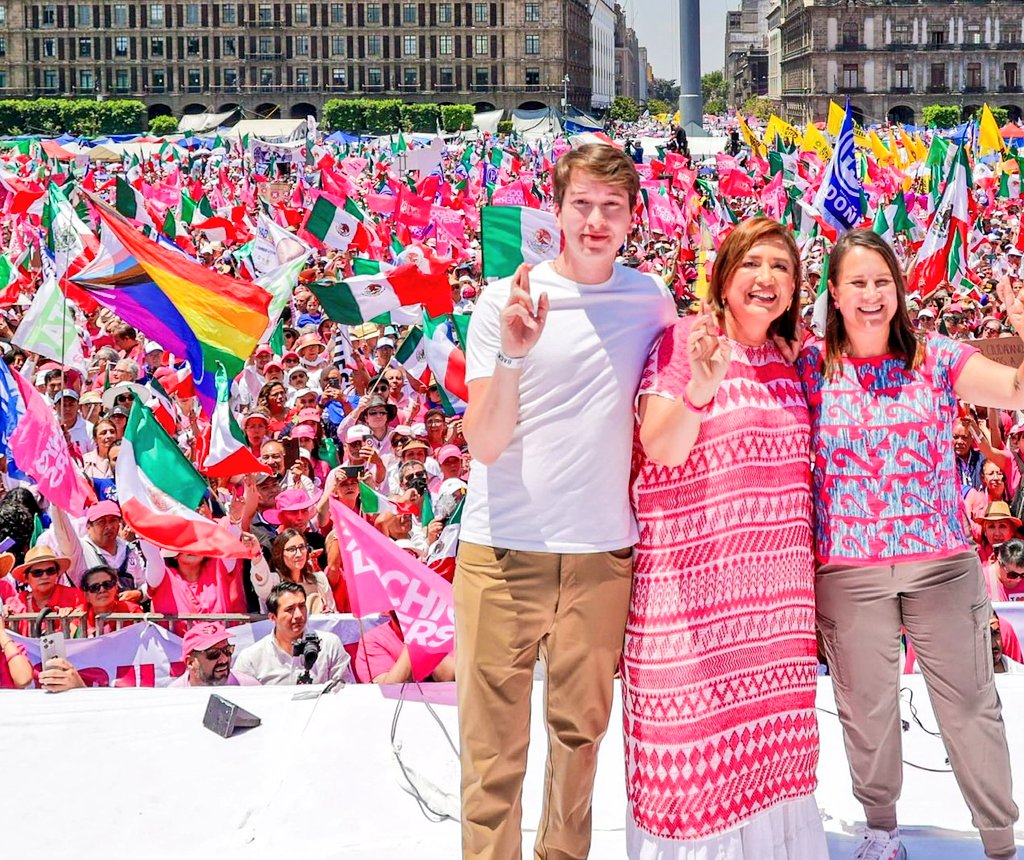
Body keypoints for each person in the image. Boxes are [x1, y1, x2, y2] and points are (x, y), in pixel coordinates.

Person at [455, 143, 675, 860]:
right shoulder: (501, 302)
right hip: (500, 553)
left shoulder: (652, 300)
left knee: (580, 745)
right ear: (556, 211)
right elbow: (483, 443)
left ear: (633, 218)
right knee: (493, 752)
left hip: (601, 556)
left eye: (612, 207)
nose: (595, 220)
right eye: (581, 203)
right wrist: (516, 352)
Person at [796, 228, 1023, 860]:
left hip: (941, 569)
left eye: (882, 282)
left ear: (898, 288)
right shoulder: (811, 366)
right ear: (834, 294)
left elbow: (1015, 391)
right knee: (864, 713)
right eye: (857, 284)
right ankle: (880, 830)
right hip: (848, 572)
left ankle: (1000, 842)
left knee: (972, 707)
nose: (872, 295)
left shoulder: (938, 356)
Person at [626, 216, 825, 856]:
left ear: (796, 288)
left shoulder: (789, 357)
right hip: (690, 607)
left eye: (781, 268)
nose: (766, 279)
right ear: (723, 274)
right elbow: (659, 447)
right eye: (752, 264)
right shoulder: (687, 339)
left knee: (770, 768)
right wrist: (700, 391)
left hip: (774, 616)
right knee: (691, 768)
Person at [233, 581, 353, 685]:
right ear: (273, 617)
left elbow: (345, 691)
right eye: (290, 609)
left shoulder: (330, 645)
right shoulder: (251, 658)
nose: (299, 615)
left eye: (302, 606)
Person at [251, 528, 336, 613]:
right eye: (292, 549)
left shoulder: (319, 579)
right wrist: (256, 554)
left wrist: (329, 613)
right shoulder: (274, 582)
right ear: (280, 554)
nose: (299, 554)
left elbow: (334, 615)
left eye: (302, 547)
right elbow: (261, 579)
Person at [168, 621, 259, 687]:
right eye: (213, 654)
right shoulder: (173, 696)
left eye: (227, 650)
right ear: (190, 662)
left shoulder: (249, 687)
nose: (224, 659)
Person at [70, 563, 142, 638]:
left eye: (107, 584)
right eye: (94, 587)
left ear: (116, 587)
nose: (102, 590)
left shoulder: (132, 611)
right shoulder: (81, 614)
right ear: (86, 595)